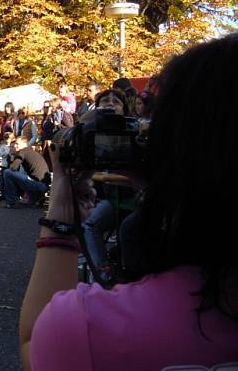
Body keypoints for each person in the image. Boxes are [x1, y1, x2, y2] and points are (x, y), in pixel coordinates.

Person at [20, 34, 238, 370]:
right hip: (131, 204)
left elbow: (33, 344)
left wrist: (62, 213)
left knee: (103, 225)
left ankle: (106, 271)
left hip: (123, 210)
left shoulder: (87, 327)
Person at [1, 136, 51, 209]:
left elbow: (13, 168)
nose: (15, 146)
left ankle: (11, 202)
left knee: (7, 172)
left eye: (17, 144)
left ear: (24, 144)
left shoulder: (22, 151)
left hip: (38, 185)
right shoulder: (32, 152)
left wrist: (12, 159)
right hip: (44, 185)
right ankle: (36, 199)